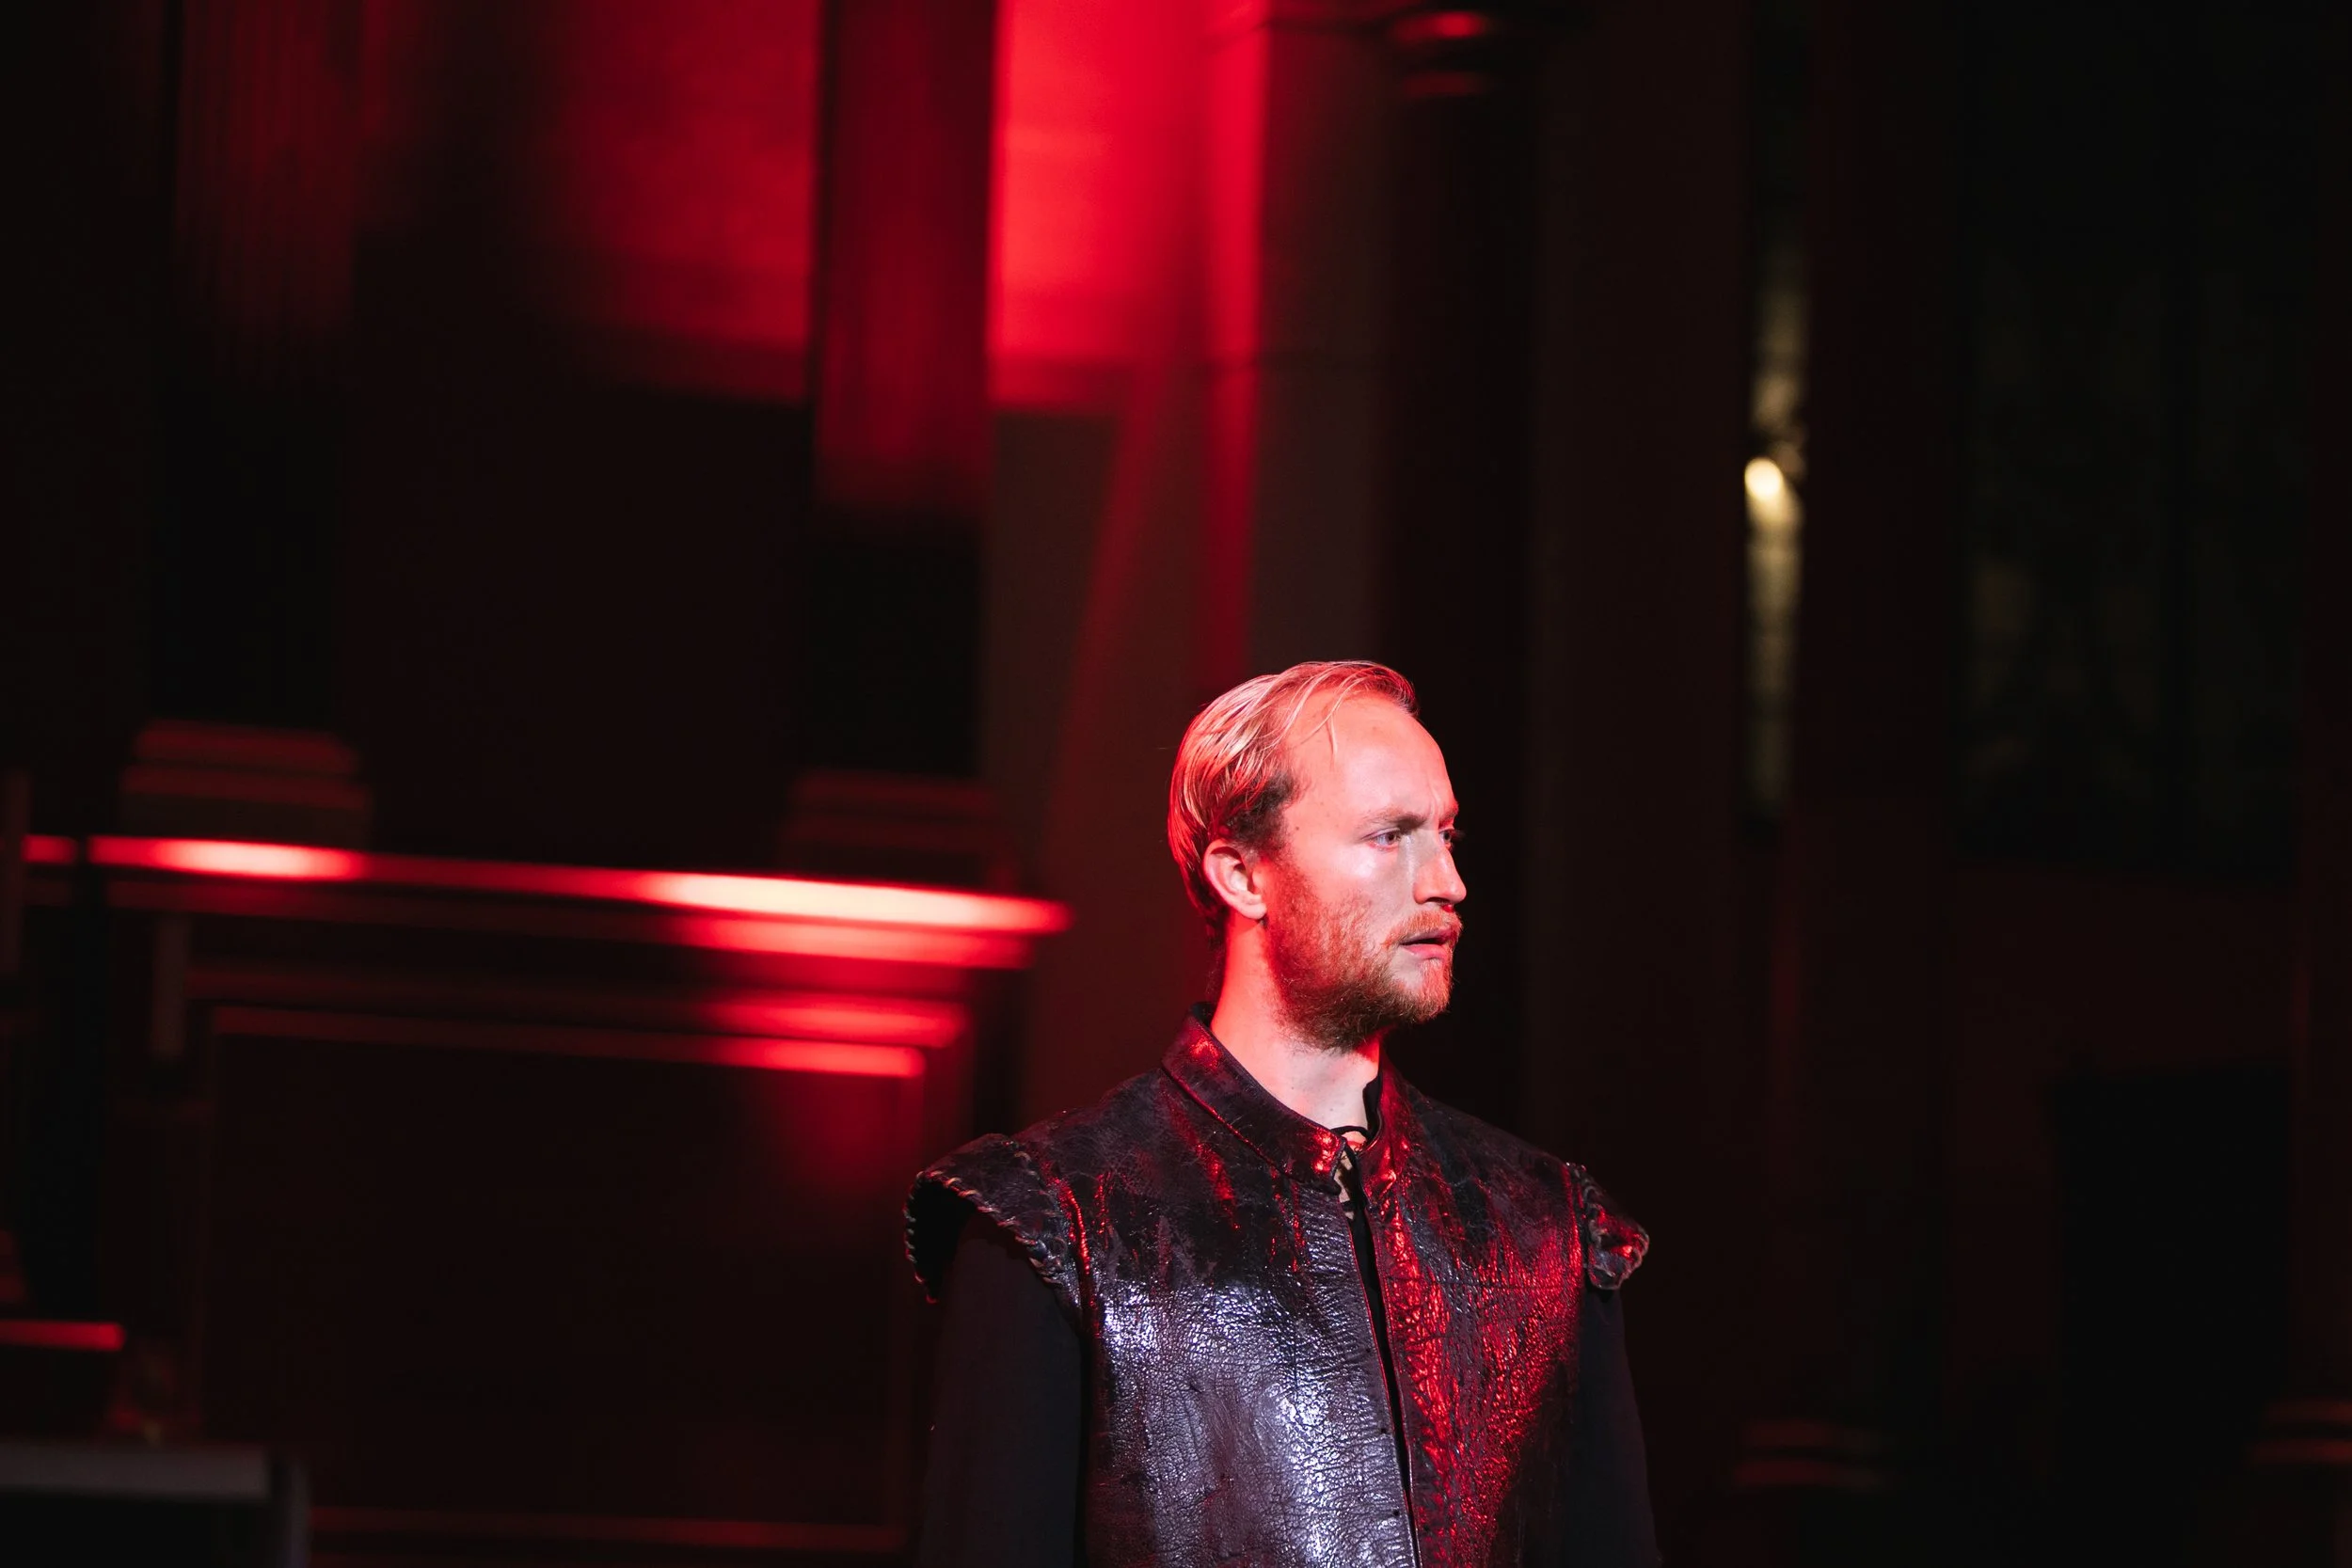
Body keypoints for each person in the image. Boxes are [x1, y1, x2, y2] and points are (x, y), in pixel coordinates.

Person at [904, 660, 1658, 1567]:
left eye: (1448, 835)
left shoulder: (1544, 1224)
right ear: (1242, 874)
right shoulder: (1057, 1219)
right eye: (1390, 836)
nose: (1447, 881)